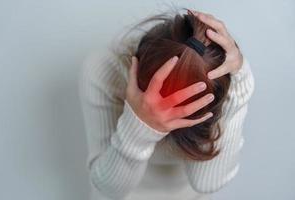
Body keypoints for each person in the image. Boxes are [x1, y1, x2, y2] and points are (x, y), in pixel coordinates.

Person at [78, 8, 255, 200]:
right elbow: (110, 189)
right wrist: (140, 126)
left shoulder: (222, 78)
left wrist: (239, 84)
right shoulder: (104, 70)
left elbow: (206, 182)